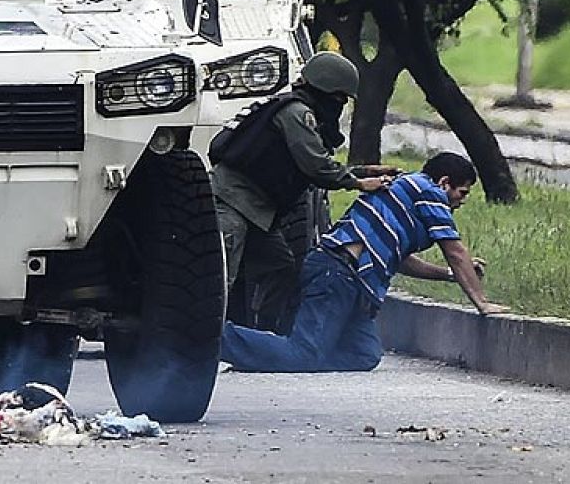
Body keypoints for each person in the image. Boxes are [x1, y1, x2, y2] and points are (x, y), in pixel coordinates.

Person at [220, 151, 508, 373]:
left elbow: (400, 260)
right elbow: (455, 251)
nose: (462, 201)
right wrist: (481, 303)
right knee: (305, 353)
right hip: (336, 272)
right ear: (445, 183)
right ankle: (213, 338)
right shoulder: (428, 191)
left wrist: (449, 275)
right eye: (462, 192)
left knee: (364, 354)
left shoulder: (408, 194)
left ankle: (271, 355)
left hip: (355, 284)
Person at [208, 51, 396, 333]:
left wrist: (365, 171)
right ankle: (197, 348)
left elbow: (312, 163)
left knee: (281, 268)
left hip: (258, 210)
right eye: (340, 98)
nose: (341, 105)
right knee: (220, 280)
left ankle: (265, 337)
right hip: (232, 202)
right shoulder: (296, 113)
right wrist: (359, 184)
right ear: (327, 91)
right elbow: (316, 166)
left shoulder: (293, 108)